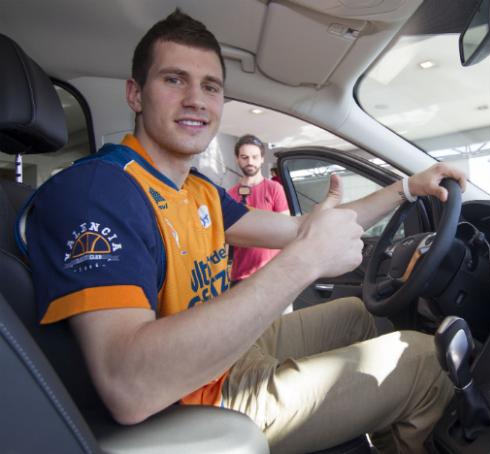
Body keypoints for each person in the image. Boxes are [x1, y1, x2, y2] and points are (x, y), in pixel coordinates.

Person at [18, 9, 467, 454]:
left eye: (210, 86)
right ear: (136, 94)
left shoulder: (199, 191)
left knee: (359, 314)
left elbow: (300, 229)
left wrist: (407, 188)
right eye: (174, 80)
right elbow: (130, 385)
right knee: (421, 361)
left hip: (225, 355)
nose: (196, 99)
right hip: (192, 397)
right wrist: (306, 259)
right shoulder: (97, 190)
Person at [228, 134, 288, 284]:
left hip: (273, 275)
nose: (250, 162)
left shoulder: (275, 189)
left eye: (254, 157)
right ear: (237, 159)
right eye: (244, 157)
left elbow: (285, 231)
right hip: (241, 277)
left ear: (262, 159)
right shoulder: (229, 195)